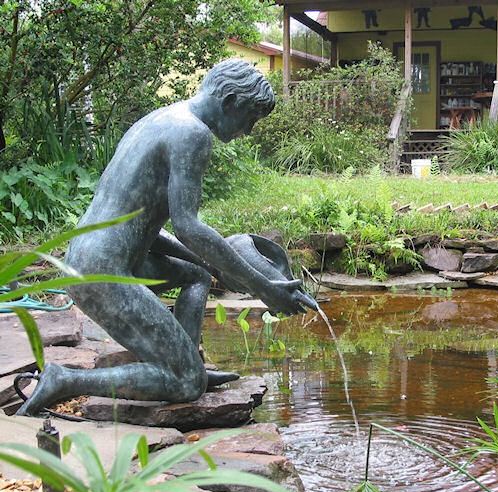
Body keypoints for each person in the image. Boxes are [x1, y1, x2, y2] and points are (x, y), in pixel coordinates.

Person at [17, 58, 315, 416]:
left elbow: (145, 229)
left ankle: (190, 360)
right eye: (250, 119)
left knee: (197, 276)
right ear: (231, 102)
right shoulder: (193, 134)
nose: (247, 131)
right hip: (102, 271)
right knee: (185, 385)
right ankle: (64, 380)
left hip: (91, 256)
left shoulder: (160, 119)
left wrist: (218, 267)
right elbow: (188, 228)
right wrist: (262, 285)